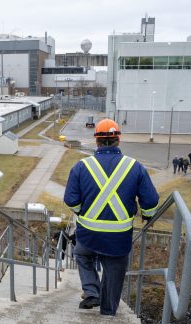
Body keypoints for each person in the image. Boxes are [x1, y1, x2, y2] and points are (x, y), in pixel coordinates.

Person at [63, 119, 159, 316]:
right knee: (114, 273)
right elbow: (150, 201)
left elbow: (71, 200)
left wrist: (83, 212)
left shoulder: (81, 166)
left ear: (96, 141)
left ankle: (91, 291)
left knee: (82, 255)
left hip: (88, 235)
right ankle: (107, 312)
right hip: (119, 237)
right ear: (118, 140)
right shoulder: (135, 167)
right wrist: (147, 216)